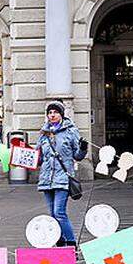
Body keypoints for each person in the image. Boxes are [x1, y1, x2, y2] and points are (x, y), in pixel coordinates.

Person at [36, 101, 86, 247]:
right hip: (46, 178)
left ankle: (71, 244)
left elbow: (77, 155)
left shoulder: (70, 131)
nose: (52, 115)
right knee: (52, 215)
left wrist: (83, 148)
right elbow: (39, 158)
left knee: (59, 213)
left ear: (61, 114)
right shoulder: (44, 133)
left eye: (55, 112)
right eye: (50, 113)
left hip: (63, 178)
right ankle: (60, 241)